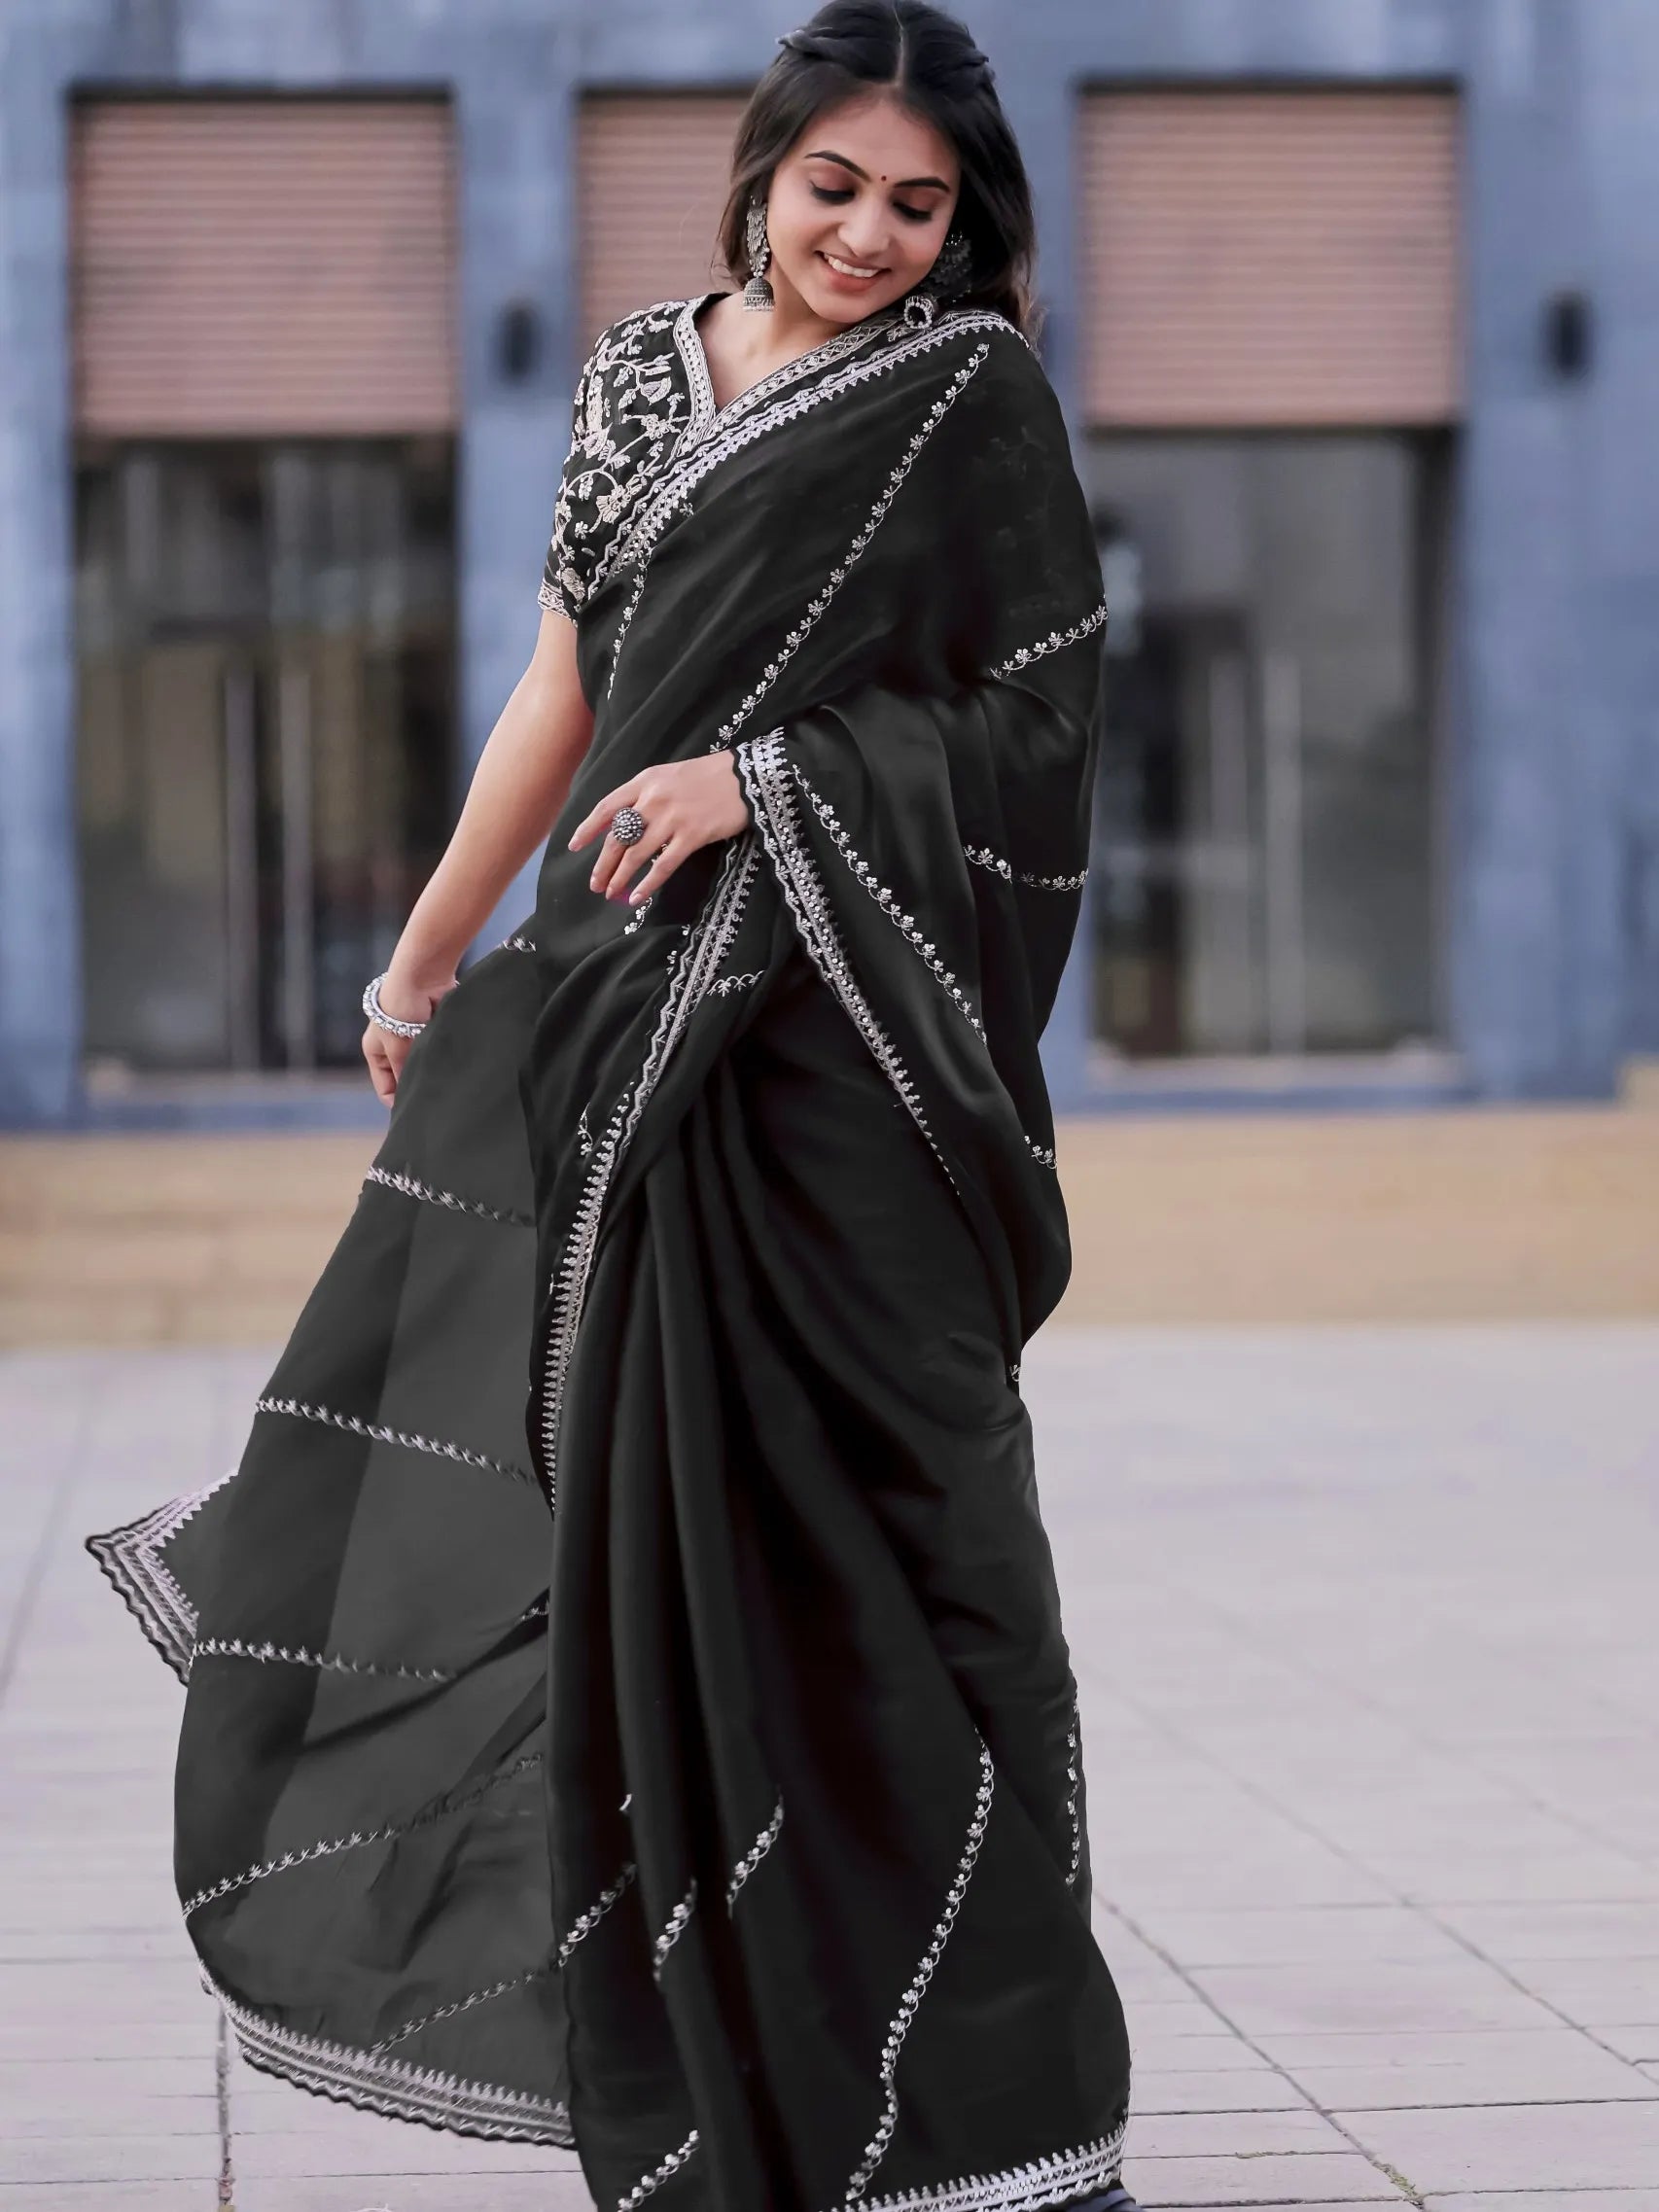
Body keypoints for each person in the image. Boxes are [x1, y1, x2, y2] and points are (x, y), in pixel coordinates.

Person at [88, 6, 1138, 2207]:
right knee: (657, 1548)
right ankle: (723, 2057)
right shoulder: (642, 377)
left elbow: (1032, 743)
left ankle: (981, 2112)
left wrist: (774, 778)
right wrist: (423, 945)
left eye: (917, 204)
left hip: (844, 1068)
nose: (867, 233)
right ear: (760, 171)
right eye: (832, 186)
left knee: (894, 1542)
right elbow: (561, 689)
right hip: (627, 1020)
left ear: (968, 220)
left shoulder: (970, 398)